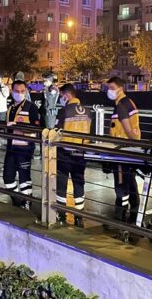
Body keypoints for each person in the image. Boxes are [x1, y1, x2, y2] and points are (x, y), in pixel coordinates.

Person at [54, 83, 91, 227]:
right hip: (81, 153)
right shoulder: (88, 111)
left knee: (61, 184)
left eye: (62, 96)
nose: (61, 99)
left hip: (64, 153)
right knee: (79, 182)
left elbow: (57, 133)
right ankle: (79, 216)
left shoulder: (64, 111)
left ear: (67, 95)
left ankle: (61, 214)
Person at [106, 77, 141, 224]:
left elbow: (127, 129)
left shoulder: (121, 106)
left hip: (122, 150)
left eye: (111, 88)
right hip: (130, 150)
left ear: (120, 88)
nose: (109, 91)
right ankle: (134, 215)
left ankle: (119, 218)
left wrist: (133, 144)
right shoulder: (130, 102)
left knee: (121, 185)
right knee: (131, 181)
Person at [3, 80, 41, 209]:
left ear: (26, 91)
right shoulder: (11, 107)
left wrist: (17, 126)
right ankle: (16, 199)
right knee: (8, 177)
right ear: (12, 91)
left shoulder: (31, 107)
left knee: (25, 177)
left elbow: (36, 128)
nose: (19, 93)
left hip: (25, 147)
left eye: (22, 91)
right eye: (16, 91)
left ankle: (27, 201)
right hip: (11, 147)